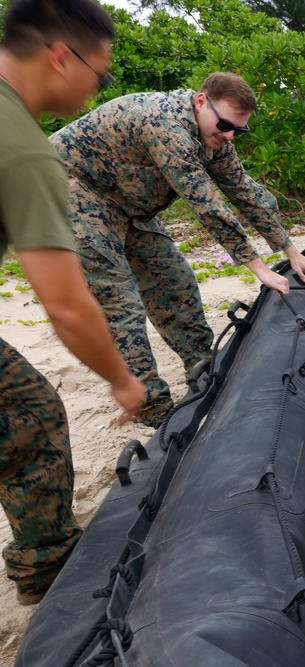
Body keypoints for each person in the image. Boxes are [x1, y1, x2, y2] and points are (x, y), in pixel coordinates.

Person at [50, 72, 305, 428]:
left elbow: (246, 191)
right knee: (120, 304)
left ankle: (203, 371)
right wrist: (257, 267)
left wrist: (289, 249)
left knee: (174, 282)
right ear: (200, 102)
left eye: (238, 130)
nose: (228, 135)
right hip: (70, 190)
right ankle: (154, 411)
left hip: (127, 206)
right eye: (224, 124)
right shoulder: (165, 123)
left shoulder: (215, 137)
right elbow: (206, 204)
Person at [0, 0, 146, 605]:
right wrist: (122, 380)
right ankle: (48, 572)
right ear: (62, 57)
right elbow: (64, 303)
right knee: (32, 417)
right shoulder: (26, 148)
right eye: (101, 71)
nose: (98, 85)